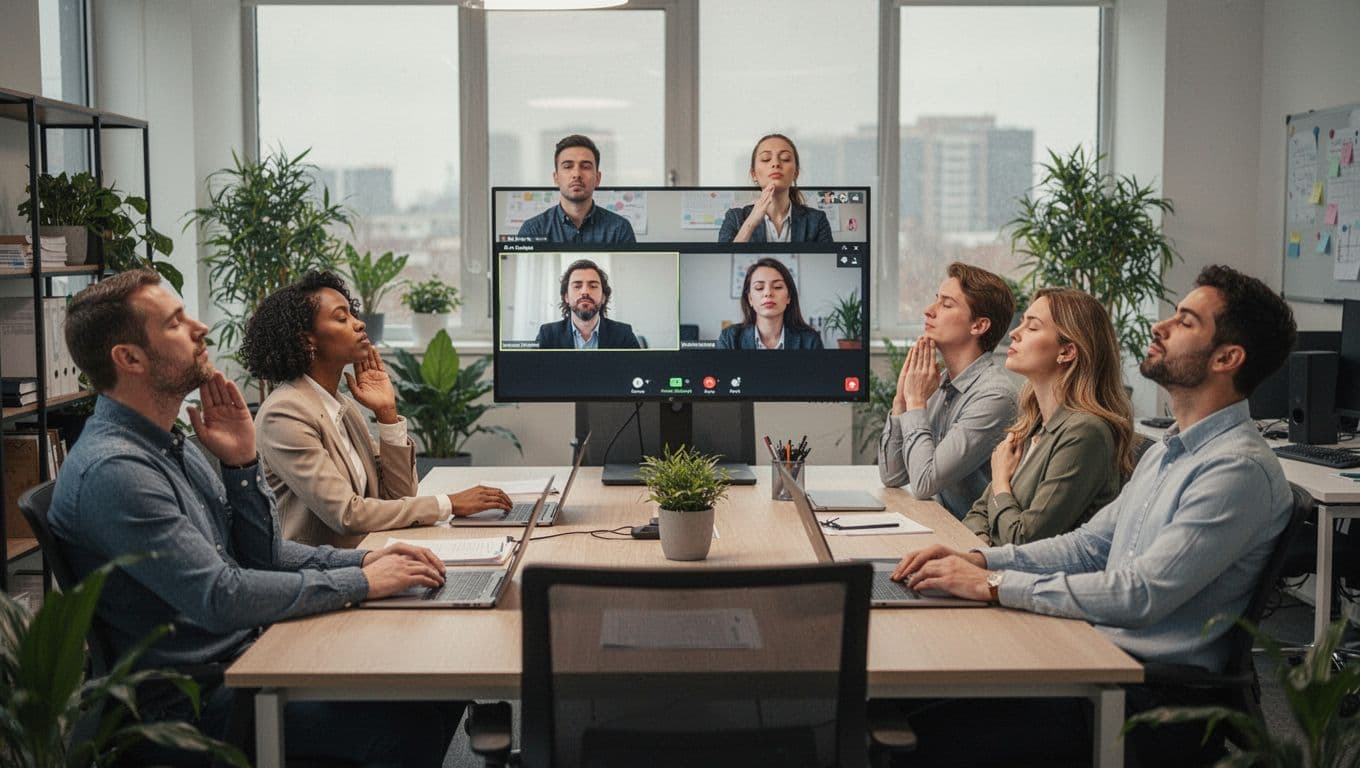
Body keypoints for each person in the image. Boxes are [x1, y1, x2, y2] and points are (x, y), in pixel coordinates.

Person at [47, 269, 461, 766]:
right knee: (409, 721)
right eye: (177, 323)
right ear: (129, 358)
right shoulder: (117, 470)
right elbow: (220, 594)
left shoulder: (172, 443)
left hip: (253, 654)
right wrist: (362, 582)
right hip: (197, 702)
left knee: (437, 681)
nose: (200, 328)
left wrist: (243, 465)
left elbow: (258, 554)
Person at [891, 265, 1298, 766]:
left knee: (907, 731)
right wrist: (977, 558)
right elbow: (1088, 546)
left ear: (1227, 358)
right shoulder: (1170, 451)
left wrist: (994, 583)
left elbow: (1140, 594)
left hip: (1141, 697)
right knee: (895, 702)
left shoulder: (1236, 470)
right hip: (1092, 656)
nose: (1159, 326)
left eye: (1185, 322)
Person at [241, 271, 513, 549]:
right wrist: (449, 503)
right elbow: (347, 514)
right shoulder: (285, 414)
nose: (359, 324)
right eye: (341, 317)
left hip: (368, 556)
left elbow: (398, 496)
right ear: (306, 339)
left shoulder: (342, 406)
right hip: (317, 577)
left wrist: (387, 414)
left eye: (352, 314)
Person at [960, 288, 1134, 546]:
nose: (1014, 334)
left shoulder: (1085, 433)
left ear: (1066, 352)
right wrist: (982, 551)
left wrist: (1000, 481)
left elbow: (1024, 539)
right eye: (1022, 324)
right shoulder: (1032, 425)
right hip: (991, 572)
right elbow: (975, 516)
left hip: (1035, 583)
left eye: (1032, 328)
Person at [878, 262, 1018, 518]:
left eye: (946, 304)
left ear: (978, 326)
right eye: (936, 300)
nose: (928, 311)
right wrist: (901, 402)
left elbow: (923, 484)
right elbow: (892, 475)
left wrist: (917, 401)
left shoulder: (994, 397)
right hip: (936, 525)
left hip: (969, 542)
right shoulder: (937, 383)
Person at [517, 134, 636, 244]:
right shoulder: (532, 229)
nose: (576, 174)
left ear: (598, 178)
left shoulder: (619, 228)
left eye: (585, 167)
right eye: (568, 166)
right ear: (556, 178)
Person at [718, 133, 834, 243]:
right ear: (754, 174)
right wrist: (751, 221)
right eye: (766, 159)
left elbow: (829, 262)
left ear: (795, 173)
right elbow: (724, 261)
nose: (776, 163)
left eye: (785, 158)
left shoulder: (817, 220)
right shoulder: (734, 218)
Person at [715, 257, 823, 350]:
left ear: (788, 297)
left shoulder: (810, 340)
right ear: (750, 299)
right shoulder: (729, 338)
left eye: (777, 287)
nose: (768, 293)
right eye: (759, 288)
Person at [535, 258, 641, 349]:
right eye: (577, 286)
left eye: (593, 286)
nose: (585, 291)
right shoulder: (547, 334)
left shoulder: (623, 334)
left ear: (604, 297)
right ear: (566, 297)